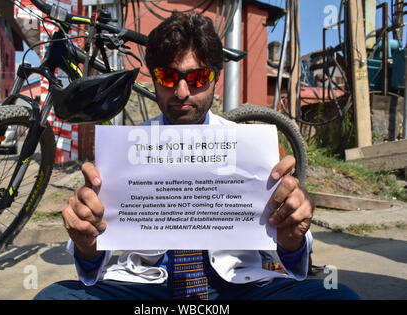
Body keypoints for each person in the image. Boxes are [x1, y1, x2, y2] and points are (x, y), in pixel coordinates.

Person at [35, 12, 359, 300]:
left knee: (339, 296)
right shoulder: (126, 150)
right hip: (149, 289)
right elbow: (94, 262)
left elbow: (293, 258)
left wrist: (291, 238)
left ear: (215, 79)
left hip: (239, 286)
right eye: (166, 77)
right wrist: (86, 243)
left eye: (198, 78)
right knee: (53, 297)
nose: (181, 92)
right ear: (154, 78)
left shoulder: (249, 147)